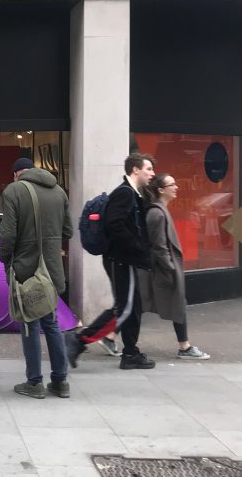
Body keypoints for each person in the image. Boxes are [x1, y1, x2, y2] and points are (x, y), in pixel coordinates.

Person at [66, 152, 156, 370]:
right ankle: (79, 340)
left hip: (125, 259)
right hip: (121, 259)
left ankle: (130, 353)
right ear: (135, 170)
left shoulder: (134, 194)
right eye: (149, 169)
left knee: (133, 307)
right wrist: (137, 248)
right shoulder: (124, 194)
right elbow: (114, 224)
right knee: (124, 308)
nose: (152, 173)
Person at [0, 157, 73, 399]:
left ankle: (34, 382)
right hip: (51, 270)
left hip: (27, 268)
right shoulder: (59, 191)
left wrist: (4, 258)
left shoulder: (14, 191)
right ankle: (61, 381)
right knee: (51, 323)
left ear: (16, 174)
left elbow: (8, 234)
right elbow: (68, 231)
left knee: (29, 323)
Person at [139, 174, 210, 360]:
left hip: (160, 269)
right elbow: (159, 247)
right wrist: (170, 269)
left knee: (139, 307)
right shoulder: (157, 213)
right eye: (172, 184)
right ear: (161, 190)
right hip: (162, 270)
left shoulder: (160, 210)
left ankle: (110, 337)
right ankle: (185, 347)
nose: (176, 187)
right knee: (175, 304)